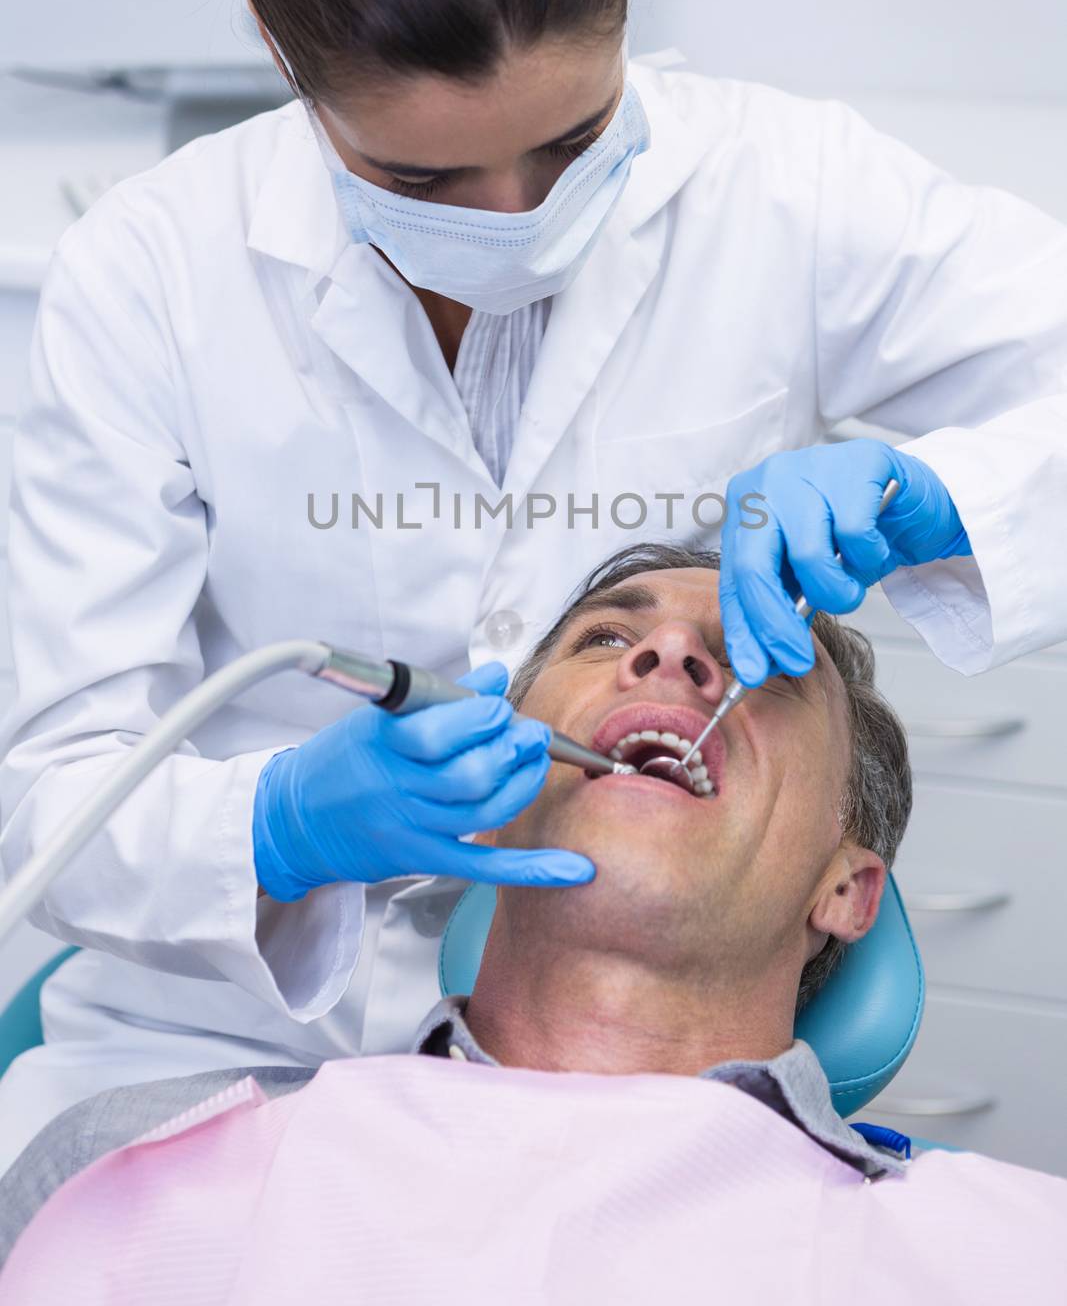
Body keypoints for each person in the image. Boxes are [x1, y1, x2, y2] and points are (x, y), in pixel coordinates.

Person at [1, 0, 1066, 1176]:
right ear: (274, 41)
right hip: (225, 1062)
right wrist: (283, 826)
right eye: (423, 172)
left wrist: (951, 495)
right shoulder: (149, 279)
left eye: (570, 147)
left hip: (645, 1101)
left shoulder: (783, 188)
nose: (515, 223)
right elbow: (46, 797)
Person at [0, 545, 1063, 1302]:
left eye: (761, 661)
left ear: (846, 890)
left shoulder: (1014, 1252)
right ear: (489, 796)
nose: (668, 659)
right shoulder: (130, 1170)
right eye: (608, 636)